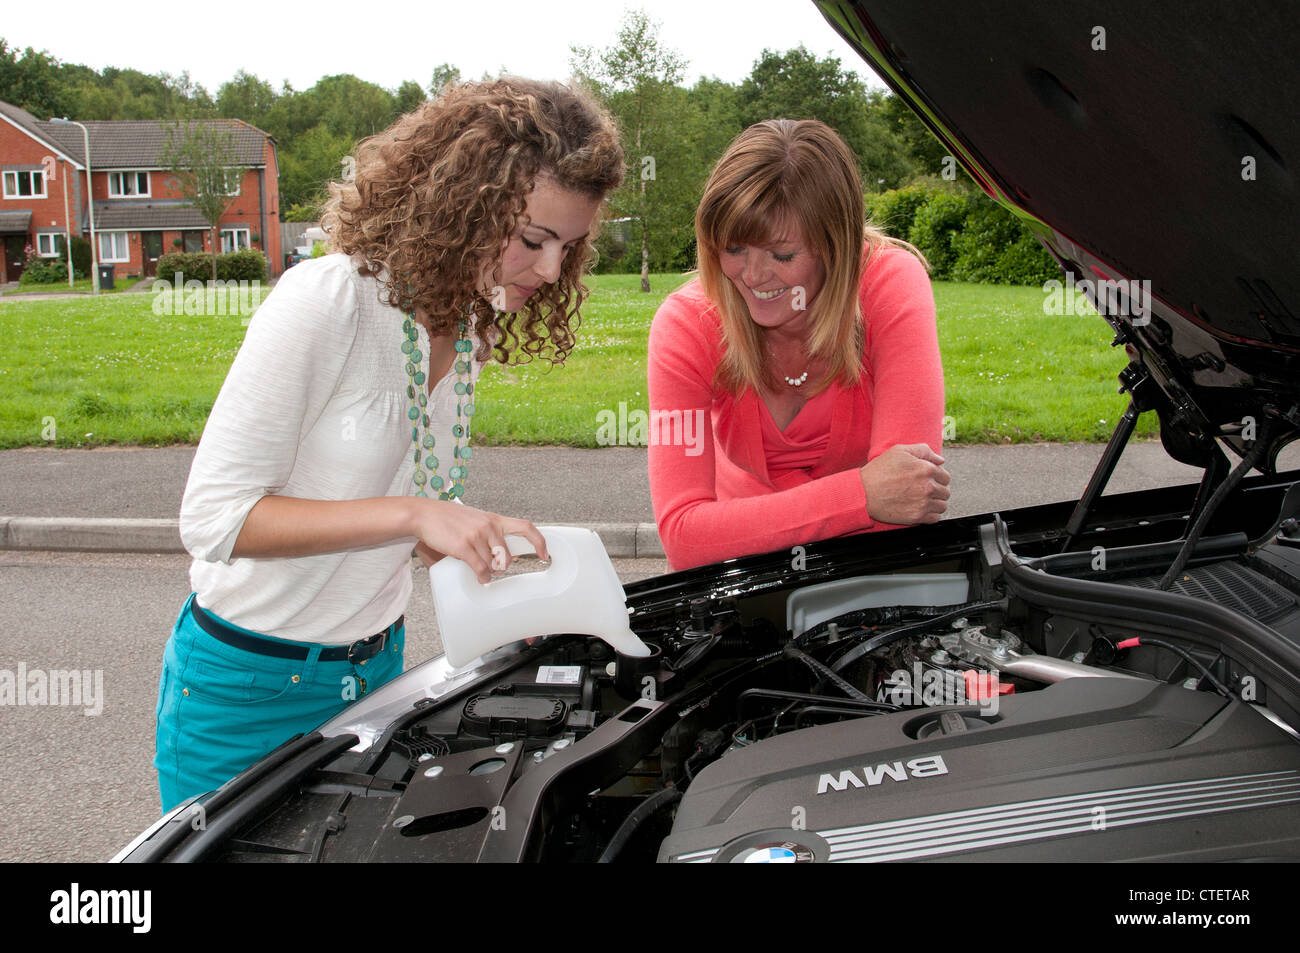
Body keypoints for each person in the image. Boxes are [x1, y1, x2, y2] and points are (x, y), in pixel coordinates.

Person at [155, 78, 623, 812]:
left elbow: (404, 495)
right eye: (533, 240)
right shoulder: (327, 301)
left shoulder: (471, 322)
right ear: (461, 203)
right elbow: (214, 519)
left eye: (569, 246)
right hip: (245, 688)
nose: (551, 271)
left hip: (377, 673)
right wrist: (412, 515)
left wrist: (464, 532)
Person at [647, 118, 948, 570]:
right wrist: (861, 493)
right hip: (736, 577)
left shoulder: (890, 283)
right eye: (733, 249)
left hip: (867, 567)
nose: (752, 276)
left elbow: (908, 500)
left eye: (782, 255)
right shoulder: (686, 325)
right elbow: (684, 538)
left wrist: (741, 528)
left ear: (837, 244)